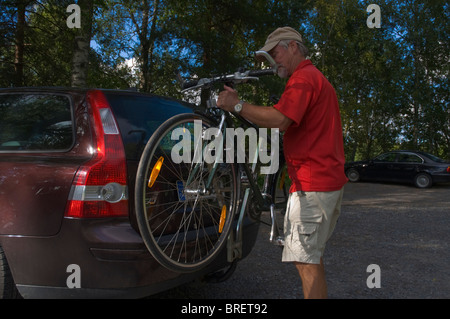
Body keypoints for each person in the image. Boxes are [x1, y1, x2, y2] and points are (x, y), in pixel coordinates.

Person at [216, 27, 348, 299]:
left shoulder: (304, 79)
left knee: (307, 264)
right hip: (322, 183)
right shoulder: (314, 79)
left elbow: (279, 119)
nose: (273, 62)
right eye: (269, 59)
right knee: (311, 259)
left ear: (294, 47)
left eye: (275, 54)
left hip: (313, 187)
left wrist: (237, 106)